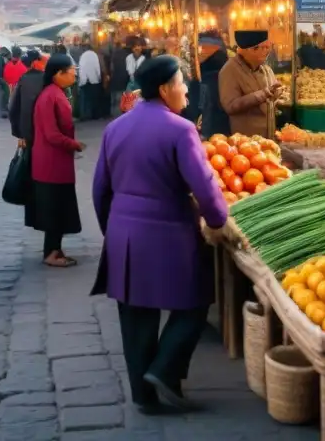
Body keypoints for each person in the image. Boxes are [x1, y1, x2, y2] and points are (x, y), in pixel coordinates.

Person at [91, 55, 229, 414]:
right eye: (182, 82)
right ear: (166, 88)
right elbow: (204, 185)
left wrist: (114, 229)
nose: (186, 90)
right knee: (195, 303)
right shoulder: (180, 129)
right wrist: (217, 220)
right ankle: (165, 369)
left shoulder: (115, 128)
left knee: (136, 315)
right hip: (170, 231)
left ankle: (143, 395)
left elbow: (99, 190)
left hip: (124, 232)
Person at [30, 53, 83, 267]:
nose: (74, 76)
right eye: (71, 72)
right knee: (54, 208)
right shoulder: (51, 96)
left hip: (57, 161)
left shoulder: (56, 93)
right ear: (58, 74)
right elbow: (51, 134)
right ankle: (51, 253)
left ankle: (55, 249)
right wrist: (74, 144)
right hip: (51, 162)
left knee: (58, 207)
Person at [218, 30, 282, 138]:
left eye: (268, 47)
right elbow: (230, 106)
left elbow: (272, 96)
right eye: (264, 48)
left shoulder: (266, 69)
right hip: (246, 143)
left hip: (268, 140)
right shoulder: (230, 70)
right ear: (250, 49)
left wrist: (278, 94)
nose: (268, 52)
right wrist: (263, 94)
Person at [197, 33, 232, 138]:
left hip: (212, 127)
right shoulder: (226, 65)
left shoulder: (207, 73)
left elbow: (204, 105)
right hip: (226, 126)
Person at [77, 42, 104, 121]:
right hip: (94, 80)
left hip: (84, 80)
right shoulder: (94, 55)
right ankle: (95, 115)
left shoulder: (82, 56)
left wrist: (81, 79)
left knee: (84, 99)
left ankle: (84, 115)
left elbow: (81, 68)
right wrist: (99, 77)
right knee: (94, 99)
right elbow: (97, 67)